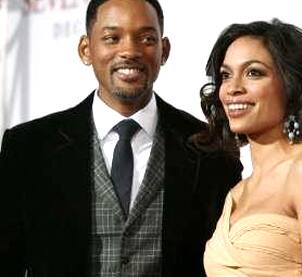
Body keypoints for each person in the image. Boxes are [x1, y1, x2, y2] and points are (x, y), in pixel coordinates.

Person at [0, 0, 242, 276]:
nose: (129, 51)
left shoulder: (210, 148)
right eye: (111, 38)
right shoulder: (28, 148)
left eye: (146, 39)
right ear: (86, 49)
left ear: (164, 51)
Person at [199, 19, 302, 276]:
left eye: (254, 72)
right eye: (226, 75)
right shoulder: (236, 192)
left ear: (292, 85)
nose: (233, 88)